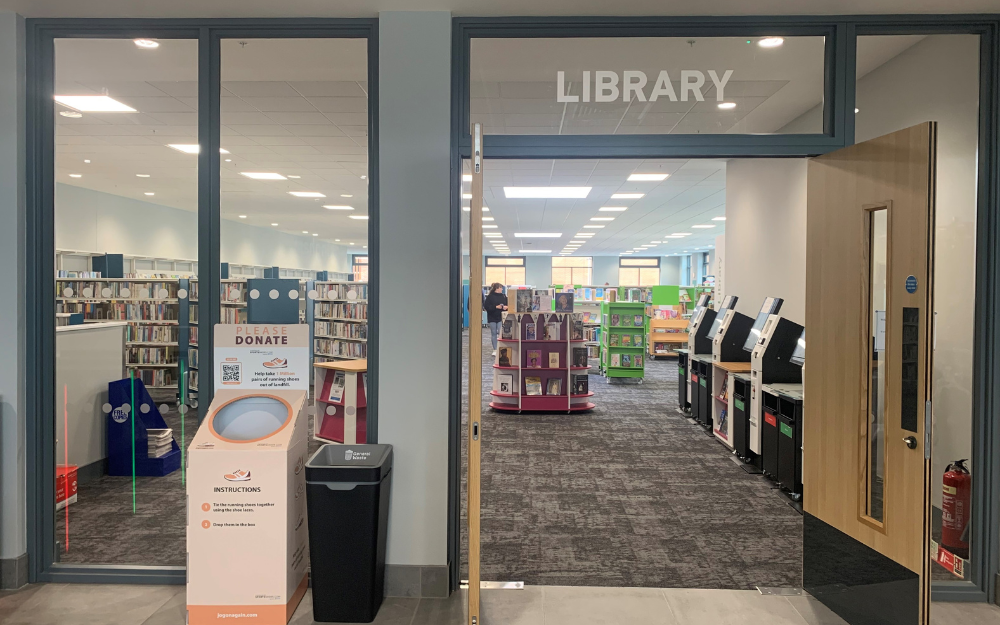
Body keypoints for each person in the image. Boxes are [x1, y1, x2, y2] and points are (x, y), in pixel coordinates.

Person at [483, 282, 508, 356]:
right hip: (492, 317)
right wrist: (496, 307)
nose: (502, 289)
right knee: (493, 333)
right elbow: (487, 307)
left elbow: (508, 305)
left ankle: (500, 348)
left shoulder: (504, 296)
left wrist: (506, 307)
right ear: (497, 288)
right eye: (501, 287)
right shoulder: (490, 297)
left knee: (501, 333)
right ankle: (495, 349)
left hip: (501, 317)